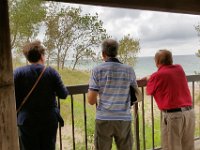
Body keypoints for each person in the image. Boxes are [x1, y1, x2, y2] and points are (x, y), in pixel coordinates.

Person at [14, 40, 68, 150]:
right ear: (42, 56)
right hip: (48, 120)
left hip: (26, 120)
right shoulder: (51, 72)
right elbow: (63, 94)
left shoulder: (18, 72)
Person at [87, 39, 137, 150]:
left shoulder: (97, 70)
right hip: (124, 118)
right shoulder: (129, 70)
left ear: (103, 54)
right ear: (116, 52)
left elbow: (91, 101)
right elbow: (134, 91)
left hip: (104, 118)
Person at [143, 49, 195, 150]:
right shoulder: (179, 68)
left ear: (157, 62)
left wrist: (149, 79)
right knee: (188, 147)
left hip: (174, 116)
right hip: (189, 113)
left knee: (171, 147)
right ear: (171, 60)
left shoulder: (157, 76)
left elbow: (148, 91)